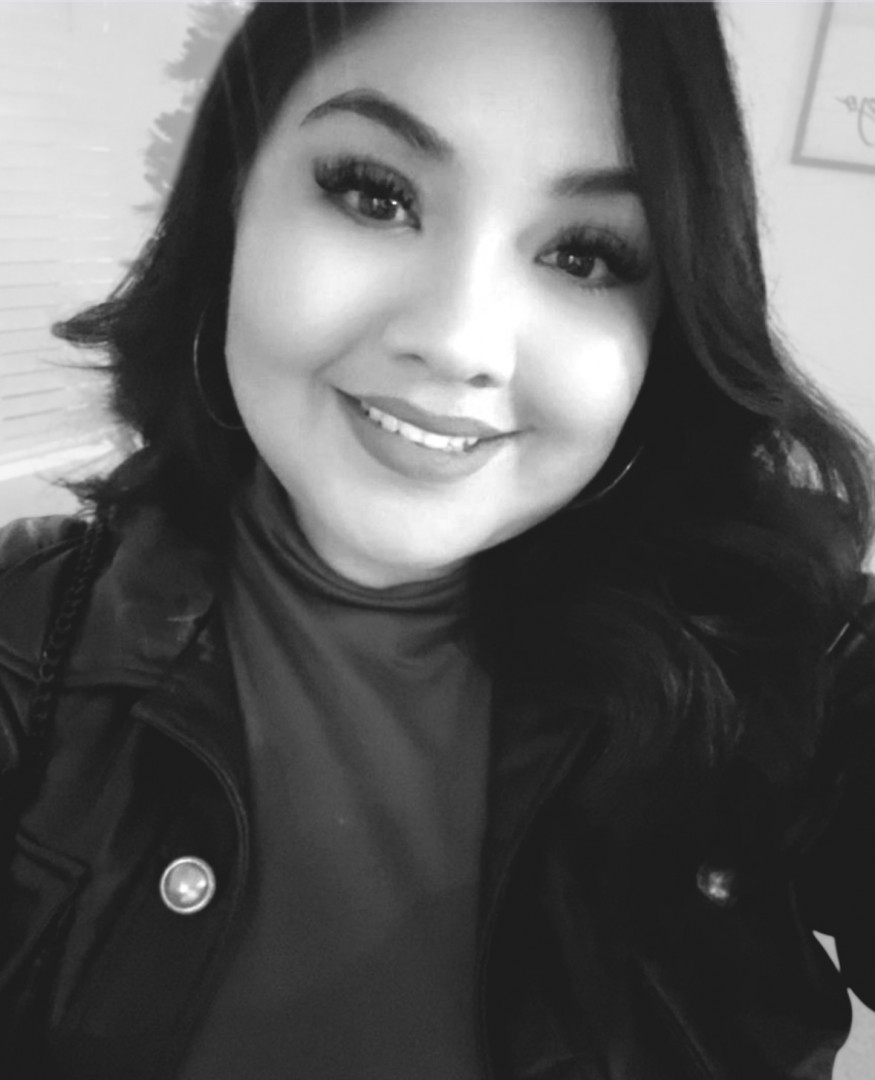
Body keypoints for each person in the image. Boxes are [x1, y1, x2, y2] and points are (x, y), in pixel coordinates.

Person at [0, 2, 873, 1077]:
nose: (459, 342)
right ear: (229, 201)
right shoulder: (26, 642)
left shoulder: (788, 665)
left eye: (585, 255)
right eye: (374, 194)